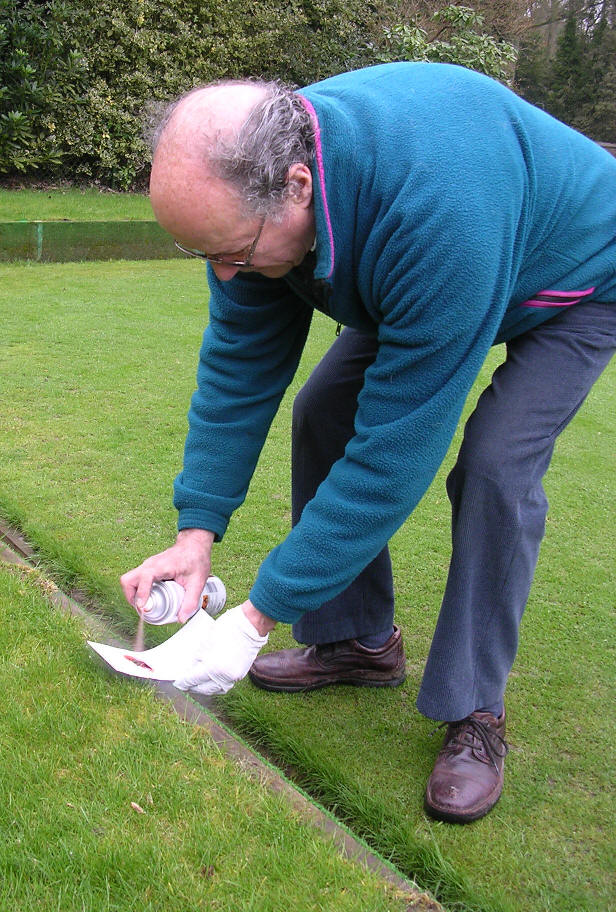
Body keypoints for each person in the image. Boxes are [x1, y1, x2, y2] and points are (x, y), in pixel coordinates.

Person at [120, 62, 616, 823]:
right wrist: (197, 534)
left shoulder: (437, 209)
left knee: (495, 464)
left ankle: (477, 709)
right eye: (204, 254)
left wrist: (256, 615)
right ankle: (359, 642)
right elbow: (238, 373)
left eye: (233, 251)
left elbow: (394, 452)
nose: (225, 272)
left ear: (297, 185)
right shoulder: (250, 206)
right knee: (323, 410)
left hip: (575, 276)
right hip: (441, 261)